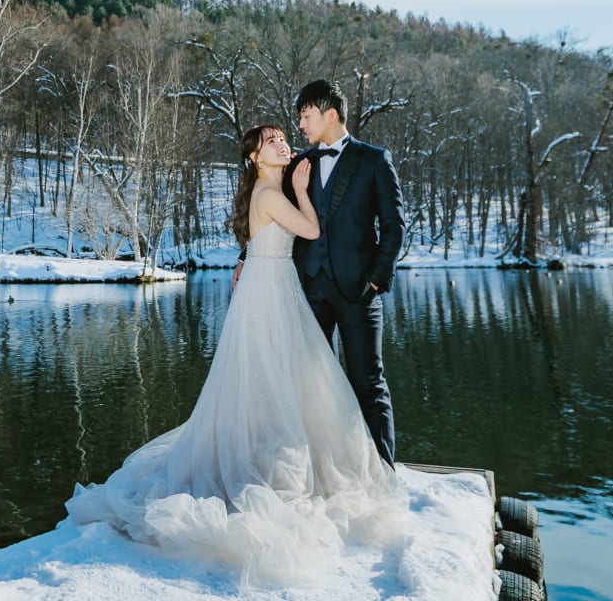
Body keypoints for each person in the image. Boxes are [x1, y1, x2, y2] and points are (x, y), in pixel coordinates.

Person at [65, 125, 405, 587]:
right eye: (272, 142)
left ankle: (275, 451)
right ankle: (270, 463)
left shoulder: (271, 188)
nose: (283, 144)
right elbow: (310, 229)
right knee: (281, 379)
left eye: (283, 137)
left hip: (272, 288)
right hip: (271, 294)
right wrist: (301, 188)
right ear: (254, 158)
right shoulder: (269, 193)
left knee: (281, 381)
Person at [289, 79, 406, 467]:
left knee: (368, 383)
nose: (301, 124)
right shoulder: (300, 165)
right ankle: (324, 470)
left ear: (330, 115)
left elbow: (394, 226)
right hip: (311, 292)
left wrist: (376, 279)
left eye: (306, 116)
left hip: (360, 292)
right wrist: (246, 258)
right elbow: (279, 218)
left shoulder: (374, 160)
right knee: (314, 387)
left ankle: (383, 471)